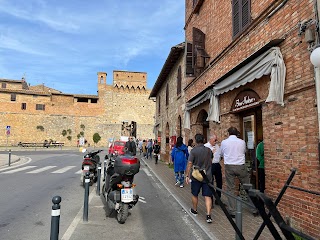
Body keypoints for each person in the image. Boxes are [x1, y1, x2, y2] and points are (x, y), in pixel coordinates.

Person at [220, 127, 258, 217]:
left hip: (229, 166)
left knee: (231, 188)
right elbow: (244, 151)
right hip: (241, 166)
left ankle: (232, 211)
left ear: (229, 133)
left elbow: (221, 154)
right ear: (237, 133)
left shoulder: (224, 142)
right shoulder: (242, 142)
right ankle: (254, 209)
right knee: (248, 187)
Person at [185, 133, 213, 223]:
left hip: (196, 176)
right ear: (204, 140)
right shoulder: (209, 150)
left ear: (196, 141)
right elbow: (211, 160)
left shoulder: (193, 151)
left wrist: (187, 175)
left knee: (195, 194)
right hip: (207, 176)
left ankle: (195, 210)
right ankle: (208, 215)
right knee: (207, 196)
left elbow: (189, 163)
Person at [204, 134, 223, 205]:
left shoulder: (217, 146)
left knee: (219, 182)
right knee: (210, 182)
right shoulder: (206, 146)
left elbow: (220, 155)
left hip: (217, 164)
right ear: (210, 139)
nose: (216, 141)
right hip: (209, 165)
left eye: (216, 140)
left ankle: (218, 199)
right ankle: (210, 199)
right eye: (215, 140)